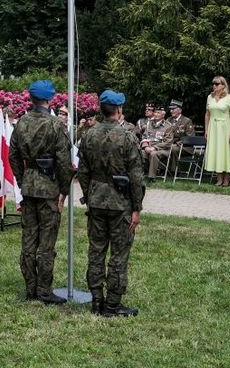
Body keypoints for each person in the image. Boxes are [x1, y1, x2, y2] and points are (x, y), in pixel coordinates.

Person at [79, 89, 144, 317]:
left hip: (96, 200)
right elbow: (136, 177)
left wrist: (89, 195)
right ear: (119, 109)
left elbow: (83, 171)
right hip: (120, 202)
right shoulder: (127, 137)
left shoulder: (89, 135)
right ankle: (113, 304)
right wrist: (137, 207)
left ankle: (97, 301)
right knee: (119, 254)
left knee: (96, 251)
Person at [8, 79, 72, 305]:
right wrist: (64, 190)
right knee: (46, 243)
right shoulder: (56, 125)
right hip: (49, 187)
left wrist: (21, 179)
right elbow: (63, 162)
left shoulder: (22, 122)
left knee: (28, 240)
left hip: (29, 185)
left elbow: (13, 155)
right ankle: (44, 290)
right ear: (50, 99)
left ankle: (30, 288)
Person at [204, 75, 230, 187]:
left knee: (225, 151)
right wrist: (206, 129)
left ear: (223, 85)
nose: (214, 86)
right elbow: (207, 114)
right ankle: (219, 179)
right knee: (216, 151)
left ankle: (227, 179)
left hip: (225, 126)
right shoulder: (210, 97)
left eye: (217, 84)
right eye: (213, 84)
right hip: (213, 127)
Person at [138, 105, 173, 181]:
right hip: (149, 148)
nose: (156, 114)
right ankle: (137, 175)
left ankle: (151, 177)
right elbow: (144, 137)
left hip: (162, 149)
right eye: (155, 112)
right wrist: (146, 147)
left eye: (158, 113)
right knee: (139, 152)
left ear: (163, 115)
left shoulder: (168, 126)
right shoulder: (149, 124)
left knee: (153, 154)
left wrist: (154, 148)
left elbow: (168, 142)